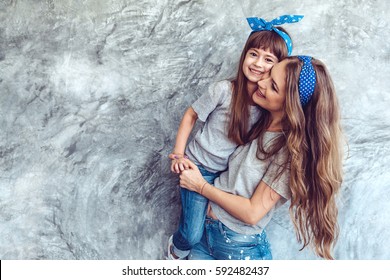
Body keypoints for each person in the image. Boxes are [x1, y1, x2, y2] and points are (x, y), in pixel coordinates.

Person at [179, 56, 343, 260]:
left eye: (273, 86)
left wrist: (200, 186)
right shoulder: (258, 119)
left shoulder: (290, 154)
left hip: (239, 249)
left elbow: (252, 212)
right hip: (205, 235)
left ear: (291, 105)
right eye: (269, 75)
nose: (261, 83)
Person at [167, 15, 304, 260]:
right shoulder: (223, 91)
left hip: (223, 184)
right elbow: (191, 115)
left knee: (196, 232)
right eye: (253, 54)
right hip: (198, 166)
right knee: (190, 234)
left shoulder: (268, 111)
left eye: (268, 60)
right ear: (244, 55)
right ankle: (174, 252)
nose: (258, 64)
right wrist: (179, 154)